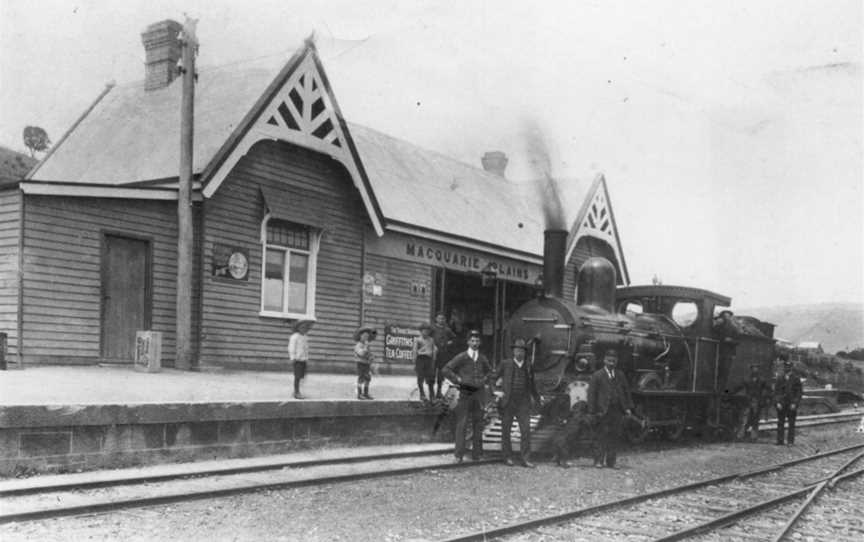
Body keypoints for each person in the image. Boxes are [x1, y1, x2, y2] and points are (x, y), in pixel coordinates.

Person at [442, 329, 492, 463]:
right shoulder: (462, 357)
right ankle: (458, 455)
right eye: (472, 341)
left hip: (479, 395)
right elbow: (446, 369)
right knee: (462, 424)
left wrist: (485, 380)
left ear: (480, 342)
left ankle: (477, 454)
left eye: (477, 341)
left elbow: (490, 372)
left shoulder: (482, 358)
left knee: (478, 424)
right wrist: (457, 380)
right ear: (468, 342)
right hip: (465, 394)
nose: (475, 343)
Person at [491, 338, 541, 468]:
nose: (519, 352)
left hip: (523, 403)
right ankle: (507, 457)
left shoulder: (528, 366)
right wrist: (496, 391)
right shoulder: (505, 364)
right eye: (517, 350)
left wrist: (537, 398)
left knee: (525, 431)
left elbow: (533, 385)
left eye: (522, 350)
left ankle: (525, 459)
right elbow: (492, 378)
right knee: (506, 430)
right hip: (508, 402)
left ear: (525, 352)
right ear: (513, 351)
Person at [587, 351, 634, 468]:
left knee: (614, 436)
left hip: (617, 410)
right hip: (602, 410)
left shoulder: (620, 375)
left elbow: (626, 392)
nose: (611, 363)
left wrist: (627, 408)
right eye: (609, 361)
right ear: (604, 361)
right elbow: (591, 395)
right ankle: (598, 461)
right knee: (600, 436)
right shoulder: (597, 375)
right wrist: (592, 412)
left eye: (613, 361)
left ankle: (611, 462)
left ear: (616, 362)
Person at [730, 364, 768, 441]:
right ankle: (740, 436)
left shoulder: (762, 380)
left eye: (756, 368)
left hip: (757, 401)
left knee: (755, 419)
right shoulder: (746, 379)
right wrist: (729, 392)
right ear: (751, 370)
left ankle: (753, 437)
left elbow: (768, 389)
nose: (755, 370)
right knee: (744, 418)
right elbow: (738, 387)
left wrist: (765, 398)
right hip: (748, 401)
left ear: (758, 370)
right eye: (753, 368)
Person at [774, 355, 802, 445]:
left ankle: (790, 441)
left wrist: (795, 403)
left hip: (791, 404)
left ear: (791, 368)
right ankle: (780, 440)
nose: (787, 368)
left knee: (791, 424)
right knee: (780, 423)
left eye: (789, 367)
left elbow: (799, 393)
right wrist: (777, 402)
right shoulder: (780, 378)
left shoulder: (796, 379)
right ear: (784, 367)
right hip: (782, 404)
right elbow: (776, 392)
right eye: (785, 367)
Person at [431, 313, 456, 398]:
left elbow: (454, 338)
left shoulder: (447, 330)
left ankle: (439, 391)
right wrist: (432, 345)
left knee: (441, 374)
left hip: (443, 354)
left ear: (445, 320)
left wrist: (448, 343)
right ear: (436, 319)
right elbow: (428, 338)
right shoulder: (432, 328)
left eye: (443, 318)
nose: (441, 320)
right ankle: (431, 392)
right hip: (433, 354)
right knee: (432, 373)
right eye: (439, 318)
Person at [288, 320, 314, 399]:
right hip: (297, 360)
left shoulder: (305, 337)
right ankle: (296, 392)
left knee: (302, 376)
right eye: (302, 327)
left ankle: (298, 390)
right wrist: (292, 357)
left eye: (306, 328)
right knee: (297, 376)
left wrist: (306, 358)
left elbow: (306, 348)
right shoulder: (295, 337)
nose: (304, 329)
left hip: (303, 359)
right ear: (298, 328)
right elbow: (291, 347)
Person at [413, 323, 437, 402]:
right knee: (420, 378)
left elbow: (433, 350)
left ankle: (432, 395)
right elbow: (415, 351)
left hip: (428, 360)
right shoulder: (418, 339)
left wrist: (433, 361)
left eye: (427, 331)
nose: (426, 332)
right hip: (420, 359)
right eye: (424, 331)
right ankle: (422, 394)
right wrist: (414, 362)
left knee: (430, 378)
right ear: (421, 331)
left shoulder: (431, 340)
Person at [353, 326, 378, 400]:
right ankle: (359, 394)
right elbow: (361, 353)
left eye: (367, 336)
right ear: (360, 336)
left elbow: (368, 354)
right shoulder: (358, 345)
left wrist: (372, 356)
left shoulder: (366, 345)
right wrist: (365, 348)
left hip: (367, 364)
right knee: (361, 378)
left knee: (368, 378)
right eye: (364, 336)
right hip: (360, 364)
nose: (365, 338)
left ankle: (366, 393)